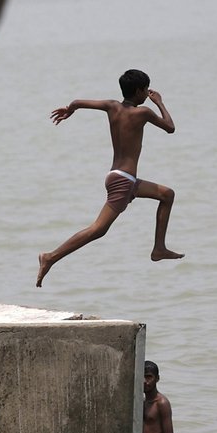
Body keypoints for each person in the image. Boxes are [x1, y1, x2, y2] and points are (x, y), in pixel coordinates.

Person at [36, 69, 183, 287]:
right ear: (140, 91)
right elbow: (170, 127)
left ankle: (159, 248)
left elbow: (77, 101)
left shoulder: (111, 106)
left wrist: (69, 110)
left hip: (122, 178)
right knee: (98, 229)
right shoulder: (143, 112)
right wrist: (159, 103)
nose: (147, 94)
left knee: (167, 194)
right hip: (124, 181)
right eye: (146, 90)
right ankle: (50, 257)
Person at [142, 360, 174, 433]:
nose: (144, 381)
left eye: (148, 377)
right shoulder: (140, 403)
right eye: (142, 377)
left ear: (157, 378)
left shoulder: (161, 403)